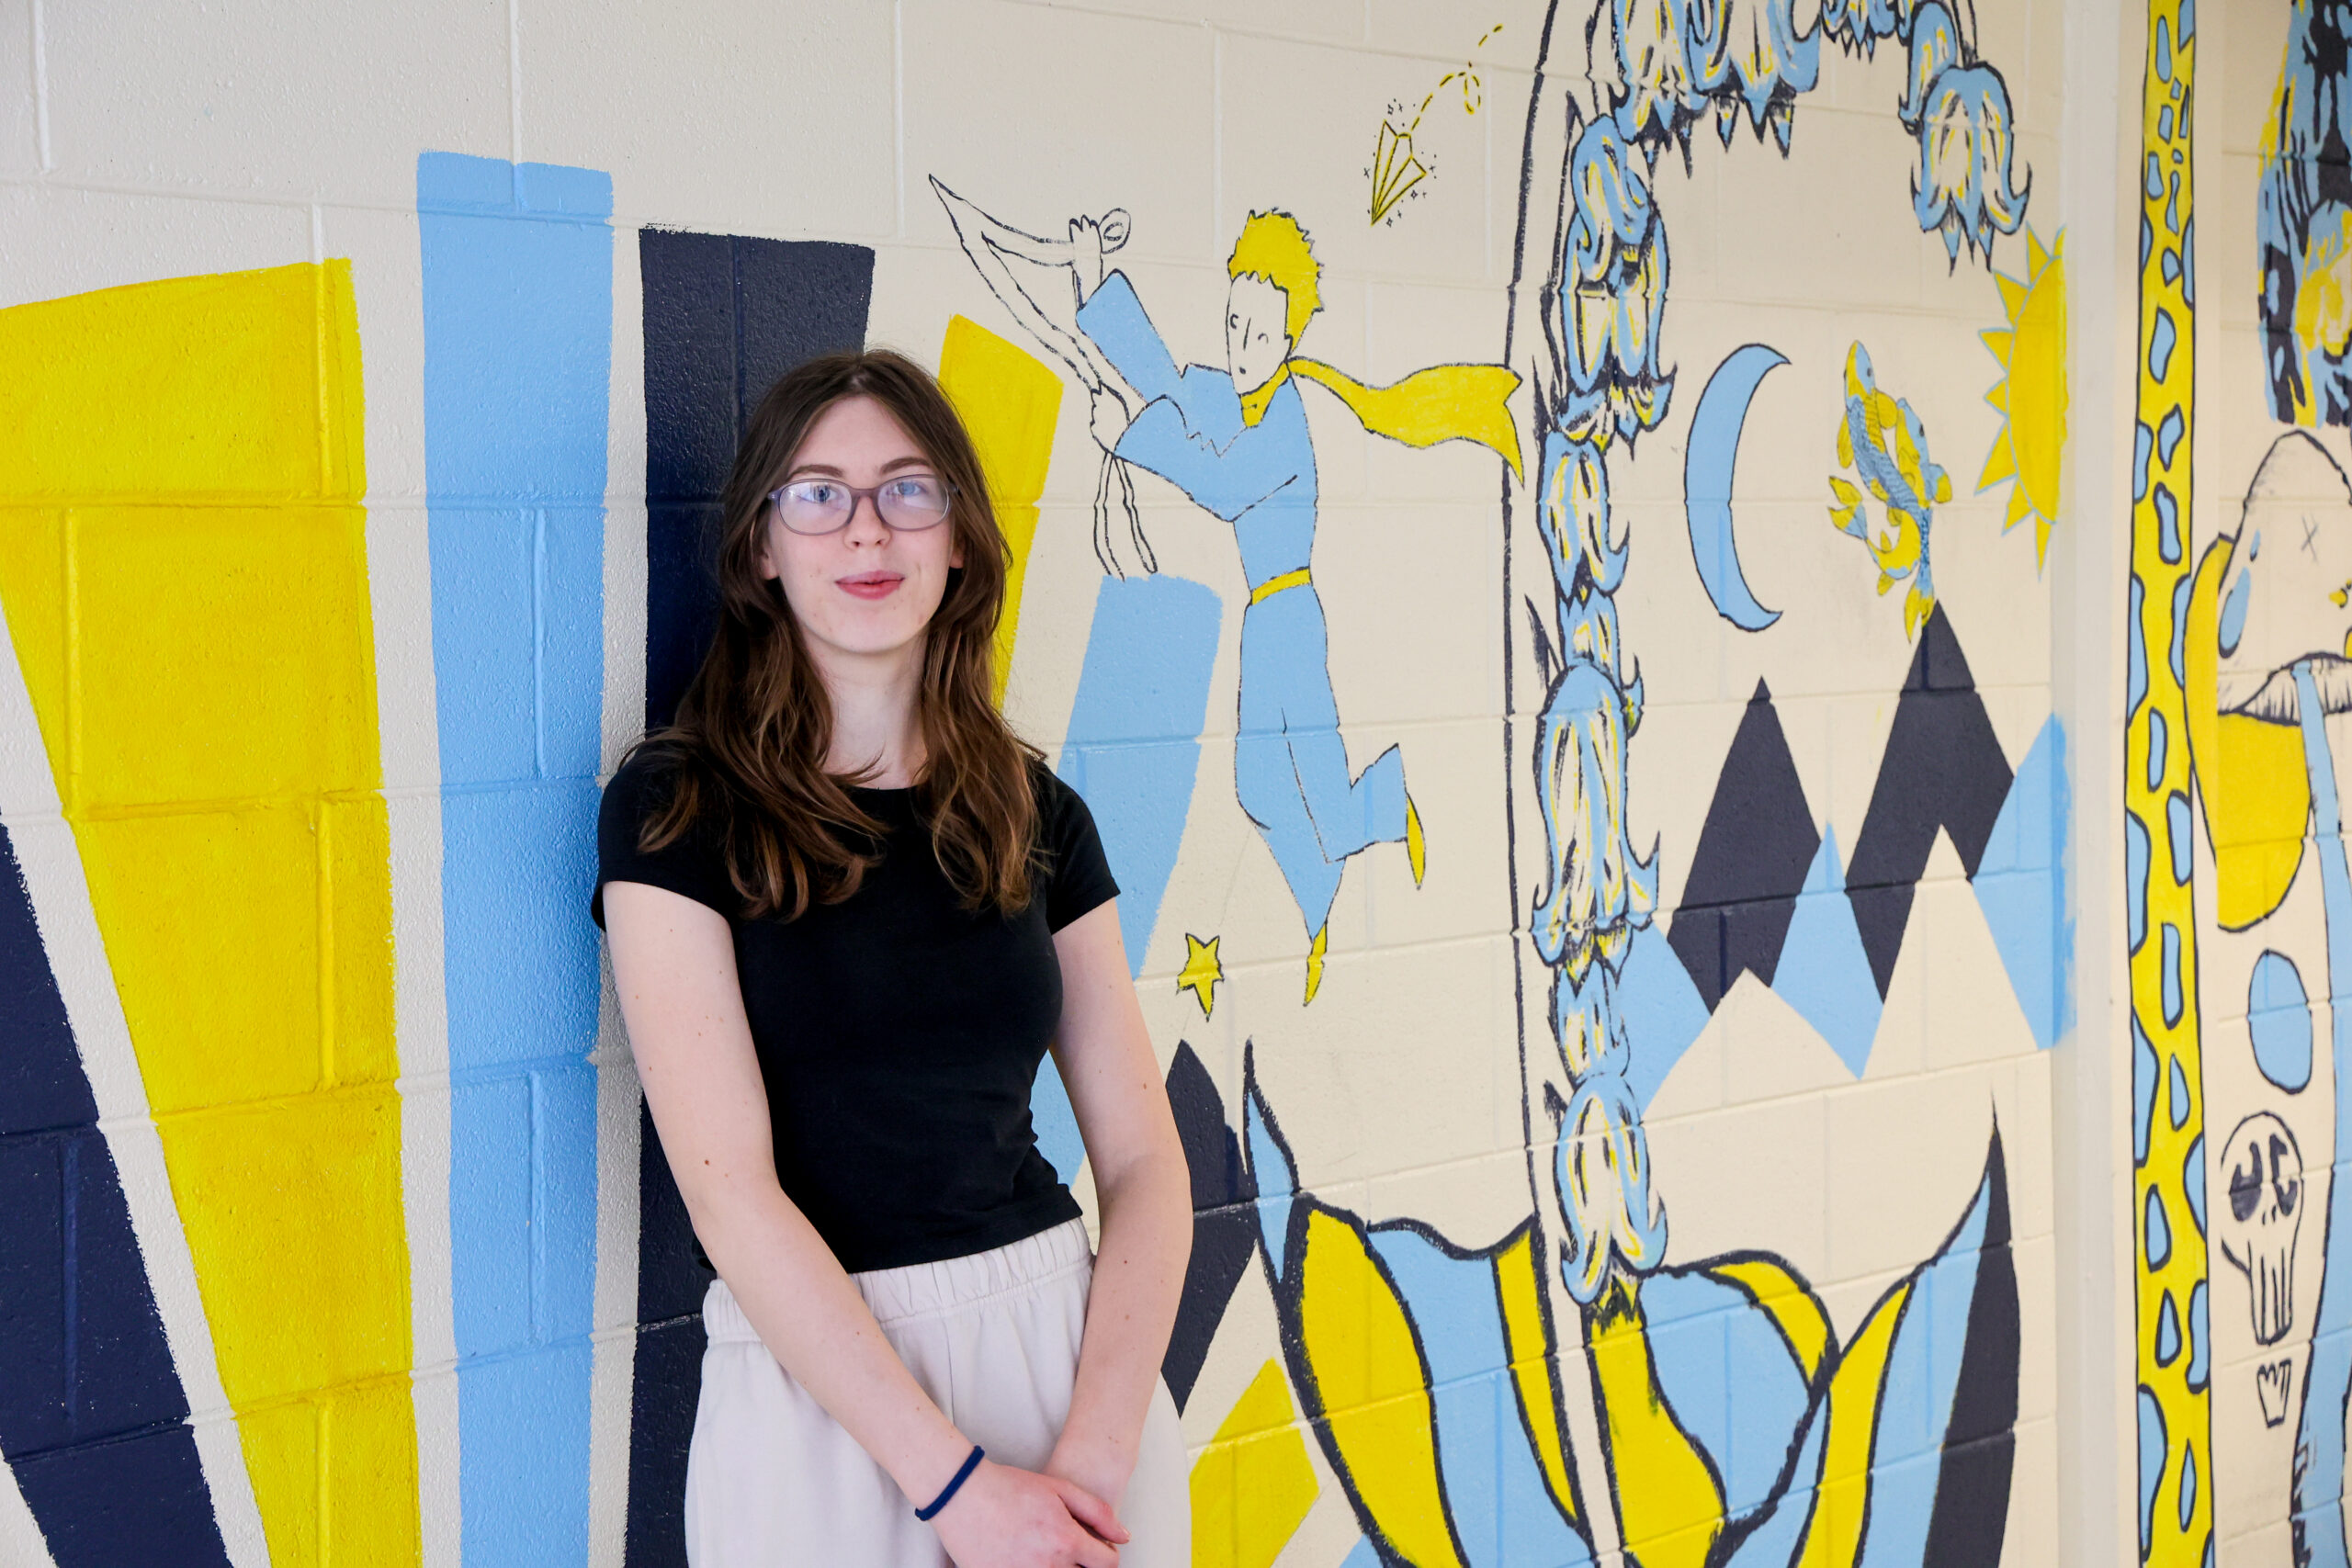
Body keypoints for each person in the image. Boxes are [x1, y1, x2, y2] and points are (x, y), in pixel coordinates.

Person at [593, 349, 1192, 1567]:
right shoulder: (674, 806)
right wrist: (958, 1487)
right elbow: (731, 1193)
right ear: (763, 546)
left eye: (908, 488)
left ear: (959, 536)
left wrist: (1093, 1448)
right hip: (821, 1391)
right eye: (817, 493)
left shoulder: (1039, 810)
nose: (866, 528)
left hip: (1061, 1356)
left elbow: (1143, 1159)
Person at [1066, 209, 1521, 1003]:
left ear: (1286, 343)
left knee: (1329, 807)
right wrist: (1094, 280)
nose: (1240, 347)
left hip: (1291, 615)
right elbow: (1168, 376)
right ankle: (1321, 897)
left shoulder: (1282, 422)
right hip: (1264, 616)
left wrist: (1131, 437)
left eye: (1258, 336)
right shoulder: (1233, 393)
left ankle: (1390, 797)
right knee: (1255, 785)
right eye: (1235, 324)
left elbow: (1222, 485)